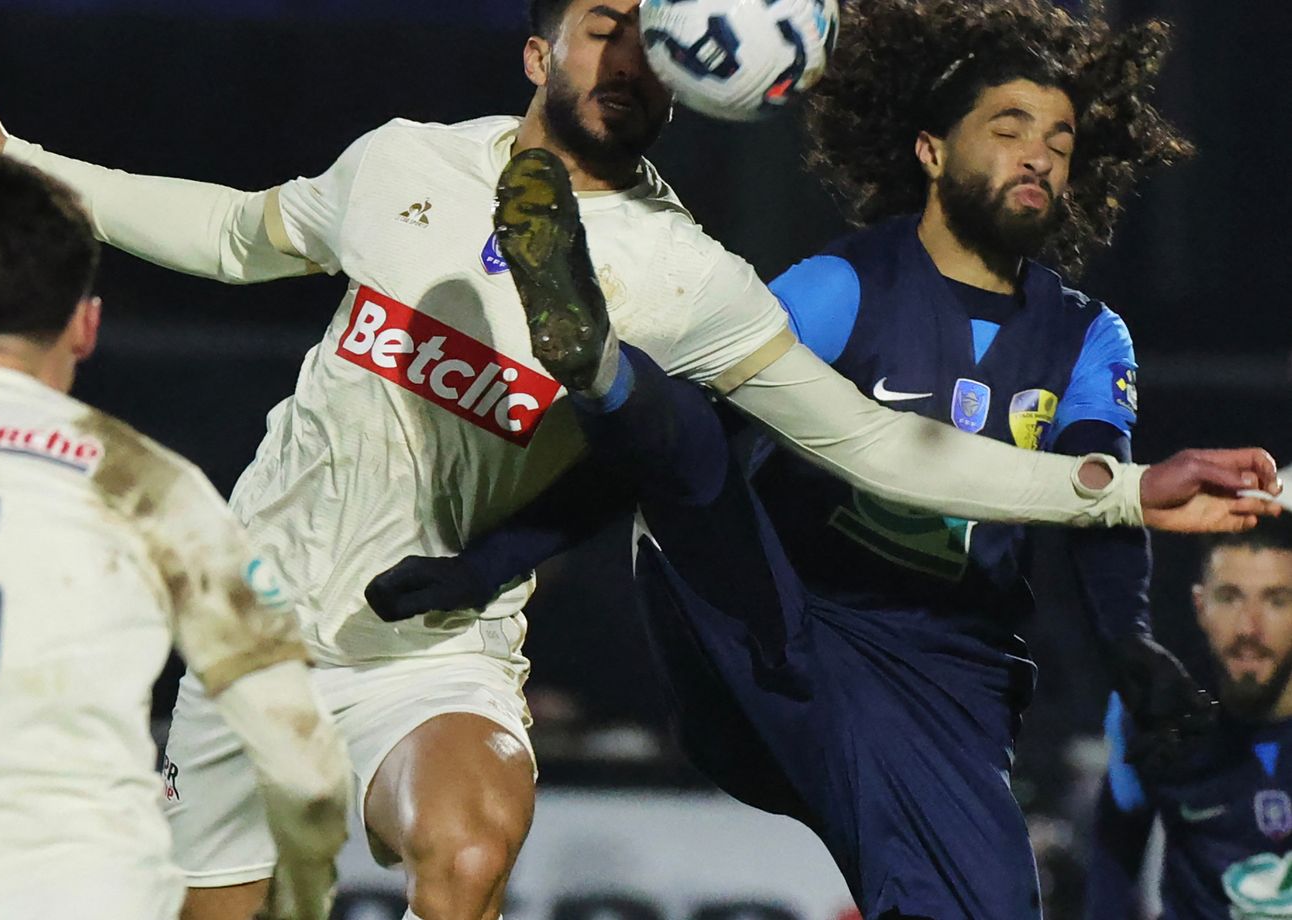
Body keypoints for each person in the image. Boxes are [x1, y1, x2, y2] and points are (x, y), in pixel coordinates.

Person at [0, 1, 1277, 917]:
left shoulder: (697, 274)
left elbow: (872, 442)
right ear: (536, 52)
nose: (631, 54)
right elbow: (239, 232)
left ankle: (599, 363)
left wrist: (1110, 486)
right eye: (604, 26)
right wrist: (15, 155)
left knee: (471, 844)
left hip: (433, 650)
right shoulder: (400, 165)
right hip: (257, 628)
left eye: (651, 36)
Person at [366, 1, 1278, 917]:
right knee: (690, 426)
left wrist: (1133, 646)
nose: (1038, 154)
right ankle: (596, 361)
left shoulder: (1087, 335)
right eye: (1009, 129)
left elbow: (1105, 500)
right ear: (931, 151)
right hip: (778, 631)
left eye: (1059, 139)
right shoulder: (843, 287)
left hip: (942, 683)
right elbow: (671, 448)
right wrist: (486, 563)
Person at [0, 155, 350, 920]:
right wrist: (305, 896)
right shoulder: (152, 487)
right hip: (81, 893)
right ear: (86, 325)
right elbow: (302, 760)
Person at [1087, 518, 1292, 919]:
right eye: (1230, 597)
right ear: (1201, 607)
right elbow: (1112, 861)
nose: (1249, 627)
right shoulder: (1158, 716)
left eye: (1276, 600)